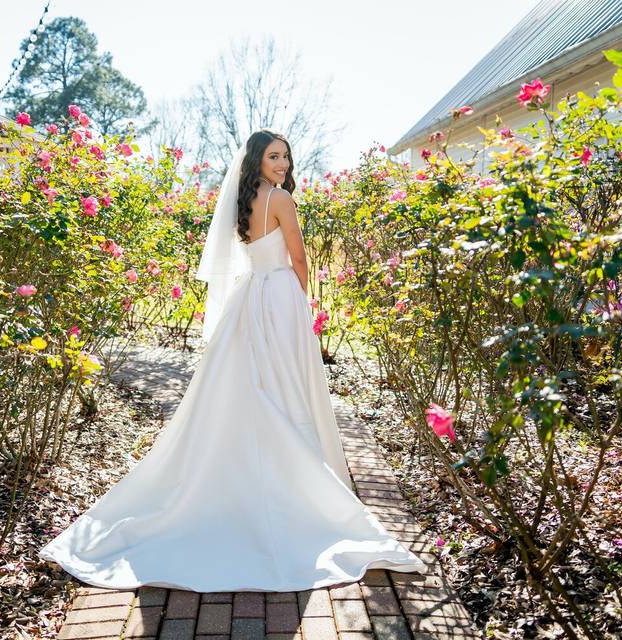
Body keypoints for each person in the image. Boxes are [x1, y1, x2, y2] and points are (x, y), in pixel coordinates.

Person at [38, 129, 426, 592]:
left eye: (285, 156)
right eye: (274, 157)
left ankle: (253, 481)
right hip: (280, 295)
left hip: (251, 296)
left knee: (251, 386)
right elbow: (299, 259)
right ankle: (293, 486)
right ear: (258, 161)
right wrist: (304, 301)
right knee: (285, 385)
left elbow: (250, 255)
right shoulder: (280, 199)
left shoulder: (245, 202)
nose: (282, 164)